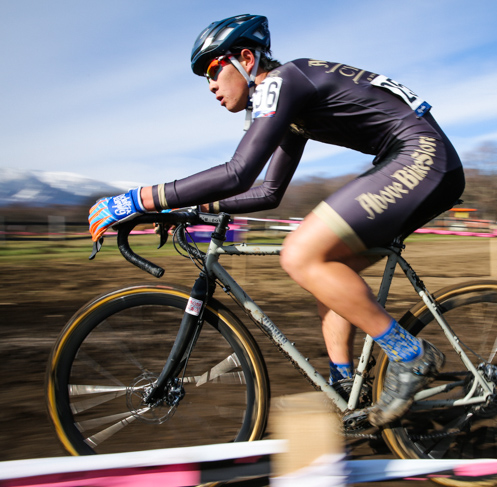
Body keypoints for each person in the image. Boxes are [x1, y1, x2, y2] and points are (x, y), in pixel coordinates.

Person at [89, 14, 465, 427]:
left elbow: (237, 172)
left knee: (300, 254)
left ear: (246, 58)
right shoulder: (289, 98)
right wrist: (190, 209)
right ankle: (347, 388)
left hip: (421, 158)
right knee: (326, 269)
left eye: (213, 70)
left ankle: (410, 354)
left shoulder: (281, 82)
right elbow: (268, 191)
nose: (211, 86)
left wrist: (138, 199)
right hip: (418, 161)